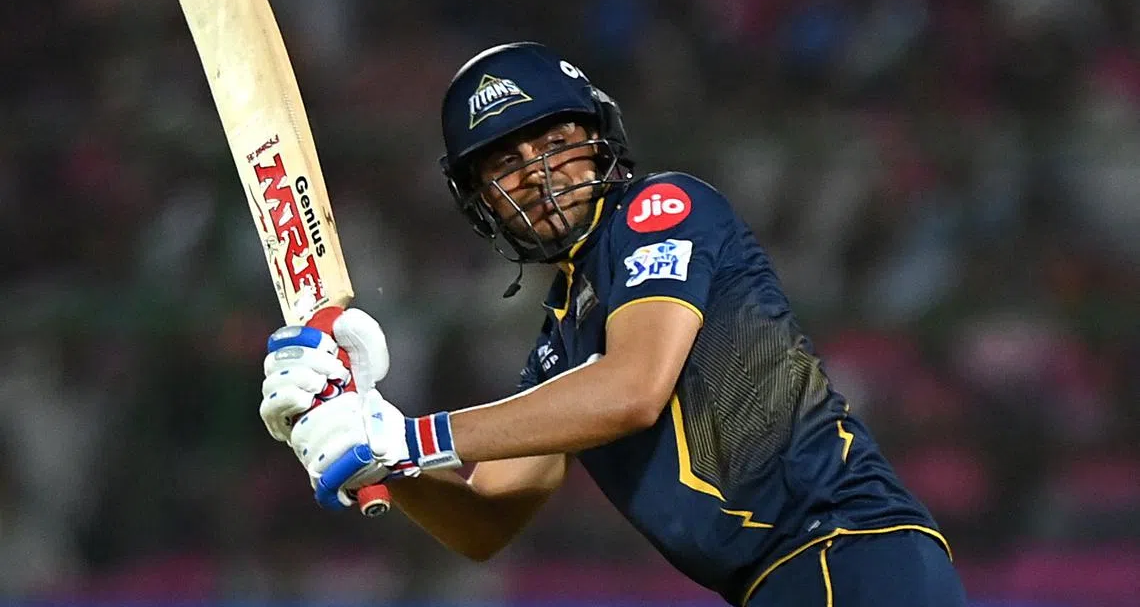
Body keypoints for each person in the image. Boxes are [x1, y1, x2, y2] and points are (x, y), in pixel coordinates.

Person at [258, 42, 968, 606]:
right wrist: (371, 443)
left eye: (553, 141)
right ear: (481, 204)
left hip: (849, 554)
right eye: (504, 161)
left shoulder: (661, 209)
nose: (536, 173)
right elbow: (484, 521)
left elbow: (633, 389)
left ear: (599, 139)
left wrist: (409, 438)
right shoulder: (558, 349)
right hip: (788, 582)